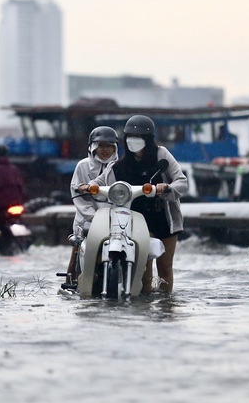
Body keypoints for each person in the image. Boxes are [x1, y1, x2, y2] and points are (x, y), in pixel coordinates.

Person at [79, 115, 188, 293]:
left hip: (164, 217)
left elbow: (181, 182)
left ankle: (166, 306)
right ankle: (143, 304)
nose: (133, 141)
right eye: (129, 136)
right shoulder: (119, 165)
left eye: (138, 137)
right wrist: (88, 186)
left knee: (165, 267)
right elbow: (100, 181)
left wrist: (165, 188)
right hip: (137, 220)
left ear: (148, 139)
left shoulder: (162, 155)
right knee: (144, 269)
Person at [64, 126, 120, 282]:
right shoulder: (82, 166)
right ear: (92, 147)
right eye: (101, 145)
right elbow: (77, 195)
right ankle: (70, 281)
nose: (105, 150)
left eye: (109, 146)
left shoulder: (120, 166)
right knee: (76, 254)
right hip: (86, 219)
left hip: (114, 219)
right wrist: (93, 217)